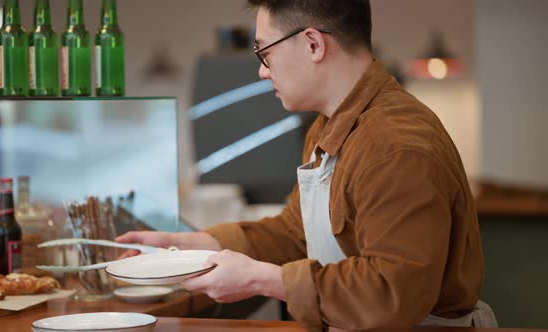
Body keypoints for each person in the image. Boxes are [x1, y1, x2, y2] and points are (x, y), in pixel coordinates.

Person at [117, 1, 497, 330]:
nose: (263, 71)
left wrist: (262, 279)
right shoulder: (327, 126)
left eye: (264, 53)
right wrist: (189, 245)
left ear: (314, 44)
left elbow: (392, 292)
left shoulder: (395, 144)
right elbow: (295, 232)